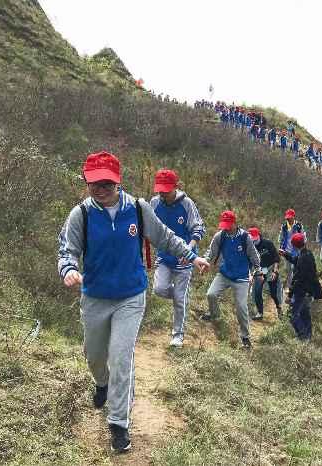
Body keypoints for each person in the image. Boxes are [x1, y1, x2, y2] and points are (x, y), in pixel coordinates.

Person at [58, 152, 210, 453]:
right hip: (95, 297)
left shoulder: (138, 209)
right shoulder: (82, 214)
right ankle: (101, 383)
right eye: (93, 184)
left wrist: (193, 257)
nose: (99, 189)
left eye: (106, 184)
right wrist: (70, 269)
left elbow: (165, 237)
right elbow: (67, 249)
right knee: (94, 354)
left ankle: (118, 423)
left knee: (120, 356)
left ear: (118, 181)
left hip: (131, 295)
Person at [150, 169, 206, 348]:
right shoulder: (154, 203)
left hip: (184, 259)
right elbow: (151, 228)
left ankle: (177, 335)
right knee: (159, 289)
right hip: (164, 257)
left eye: (166, 190)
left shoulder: (187, 204)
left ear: (175, 187)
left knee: (180, 300)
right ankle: (179, 296)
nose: (162, 193)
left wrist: (188, 251)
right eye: (160, 190)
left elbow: (198, 229)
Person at [201, 210, 263, 349]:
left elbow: (254, 254)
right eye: (224, 224)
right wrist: (205, 262)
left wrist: (257, 269)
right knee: (210, 294)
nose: (225, 227)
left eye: (228, 224)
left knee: (241, 307)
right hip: (225, 274)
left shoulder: (245, 237)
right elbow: (211, 252)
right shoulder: (220, 236)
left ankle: (245, 337)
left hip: (241, 278)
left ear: (234, 223)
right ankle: (215, 315)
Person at [279, 233, 322, 341]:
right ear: (304, 242)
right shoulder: (307, 254)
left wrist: (290, 295)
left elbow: (297, 279)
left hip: (302, 292)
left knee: (292, 315)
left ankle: (303, 337)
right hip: (309, 291)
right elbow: (296, 260)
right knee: (305, 314)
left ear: (294, 246)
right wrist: (285, 254)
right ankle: (308, 338)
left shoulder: (303, 257)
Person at [248, 227, 283, 320]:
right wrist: (250, 275)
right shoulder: (249, 247)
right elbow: (249, 263)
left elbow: (276, 258)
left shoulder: (268, 244)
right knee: (257, 291)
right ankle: (260, 313)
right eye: (252, 239)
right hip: (260, 270)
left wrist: (275, 271)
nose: (254, 241)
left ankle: (279, 307)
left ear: (259, 235)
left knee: (273, 293)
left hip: (271, 267)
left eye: (255, 238)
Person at [278, 208, 306, 292]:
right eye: (287, 217)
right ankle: (290, 287)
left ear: (293, 217)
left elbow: (303, 237)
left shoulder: (298, 226)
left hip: (296, 250)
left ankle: (295, 287)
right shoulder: (284, 226)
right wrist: (281, 248)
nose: (288, 219)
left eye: (290, 217)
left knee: (295, 269)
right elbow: (281, 238)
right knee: (289, 270)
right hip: (286, 251)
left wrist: (303, 247)